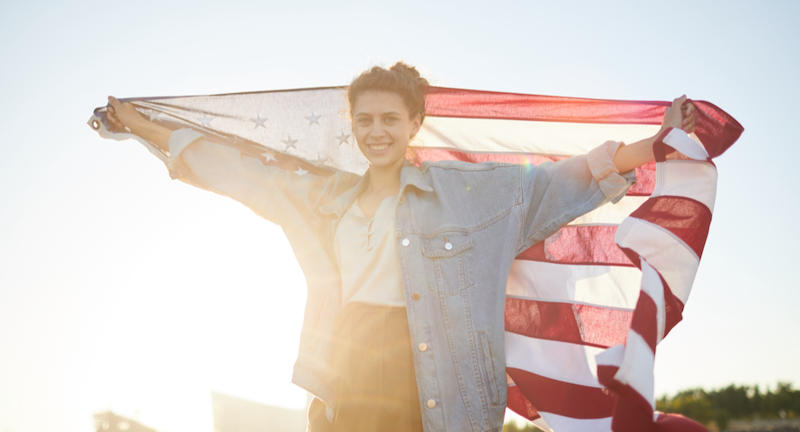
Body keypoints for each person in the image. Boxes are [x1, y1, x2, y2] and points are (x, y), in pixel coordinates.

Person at [105, 62, 697, 432]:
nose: (376, 132)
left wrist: (656, 143)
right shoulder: (325, 197)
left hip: (432, 373)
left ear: (414, 122)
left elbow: (563, 181)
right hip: (344, 374)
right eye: (364, 121)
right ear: (352, 126)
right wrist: (142, 126)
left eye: (390, 119)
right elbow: (236, 172)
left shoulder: (468, 195)